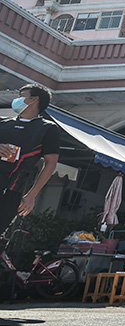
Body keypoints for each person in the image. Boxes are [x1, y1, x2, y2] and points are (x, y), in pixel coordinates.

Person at [1, 84, 60, 237]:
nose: (16, 100)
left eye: (21, 96)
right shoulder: (3, 123)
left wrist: (32, 194)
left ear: (34, 100)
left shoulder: (47, 128)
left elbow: (51, 163)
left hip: (11, 191)